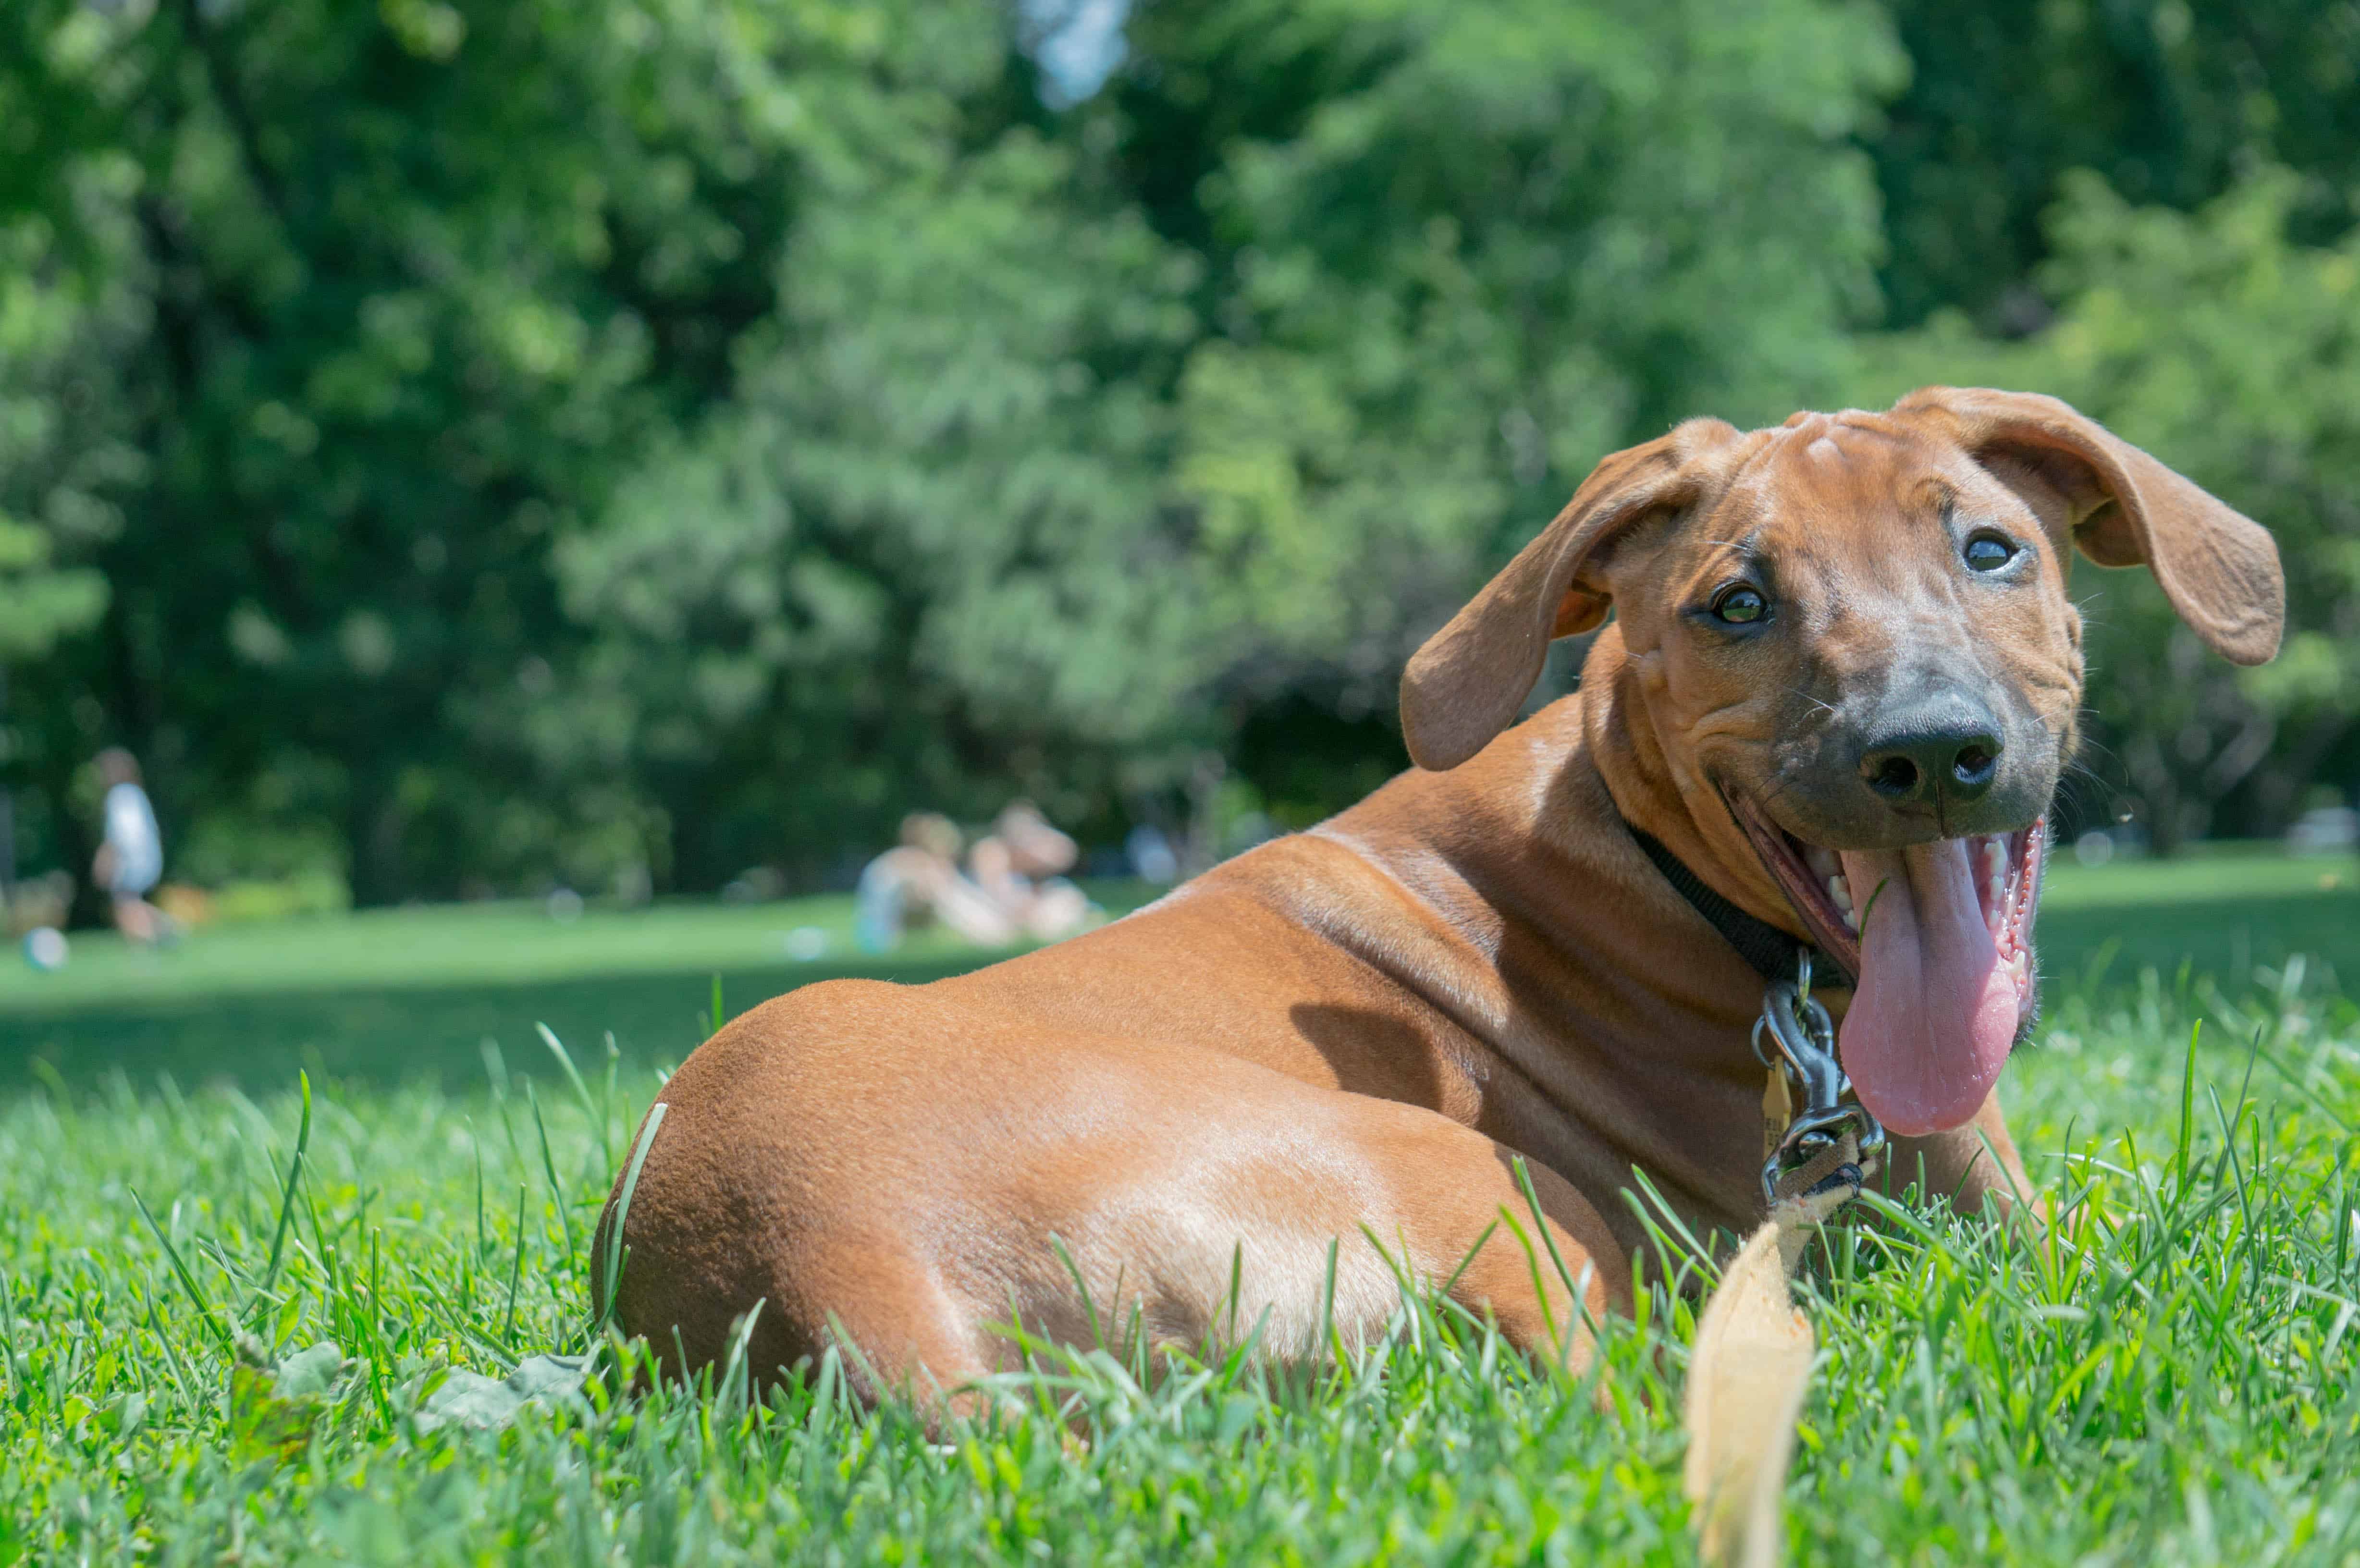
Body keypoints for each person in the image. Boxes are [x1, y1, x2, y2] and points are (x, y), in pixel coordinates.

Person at [91, 748, 166, 944]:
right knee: (131, 902)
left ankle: (145, 943)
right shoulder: (135, 794)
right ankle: (166, 927)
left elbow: (120, 836)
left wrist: (105, 860)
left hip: (130, 860)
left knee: (124, 904)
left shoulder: (118, 797)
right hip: (147, 857)